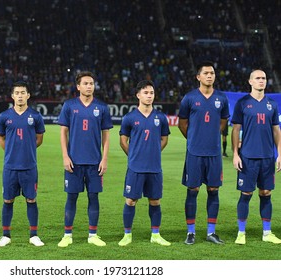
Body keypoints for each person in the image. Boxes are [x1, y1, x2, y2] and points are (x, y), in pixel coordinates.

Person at [57, 71, 113, 247]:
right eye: (86, 83)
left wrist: (104, 159)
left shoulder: (102, 107)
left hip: (94, 162)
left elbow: (106, 136)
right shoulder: (69, 105)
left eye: (91, 83)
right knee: (71, 197)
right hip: (74, 161)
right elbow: (63, 132)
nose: (89, 86)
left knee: (93, 197)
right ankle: (67, 235)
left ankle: (93, 235)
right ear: (78, 86)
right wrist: (65, 156)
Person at [178, 61, 230, 245]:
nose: (210, 76)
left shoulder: (221, 98)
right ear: (198, 77)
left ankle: (211, 232)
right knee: (192, 190)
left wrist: (212, 135)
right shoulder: (189, 98)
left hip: (214, 153)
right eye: (206, 73)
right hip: (195, 152)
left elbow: (223, 120)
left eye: (212, 73)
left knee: (213, 190)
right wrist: (193, 138)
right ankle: (190, 232)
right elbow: (182, 122)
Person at [118, 80, 171, 247]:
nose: (149, 96)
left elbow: (164, 139)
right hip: (135, 168)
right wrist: (134, 155)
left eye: (152, 93)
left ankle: (155, 234)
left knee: (155, 201)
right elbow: (123, 140)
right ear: (138, 95)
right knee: (131, 201)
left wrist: (153, 153)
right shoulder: (130, 118)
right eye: (146, 93)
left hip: (154, 167)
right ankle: (127, 234)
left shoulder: (160, 117)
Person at [231, 69, 281, 245]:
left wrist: (279, 153)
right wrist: (235, 154)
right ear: (250, 81)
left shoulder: (272, 105)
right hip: (248, 157)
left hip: (267, 157)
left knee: (266, 193)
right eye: (258, 78)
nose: (261, 81)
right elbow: (235, 129)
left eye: (264, 78)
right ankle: (241, 232)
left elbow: (276, 130)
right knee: (246, 193)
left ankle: (267, 232)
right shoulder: (243, 103)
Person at [0, 81, 45, 247]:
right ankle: (6, 235)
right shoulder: (5, 116)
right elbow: (1, 139)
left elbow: (39, 139)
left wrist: (27, 149)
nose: (20, 95)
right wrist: (11, 151)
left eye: (23, 92)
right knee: (8, 200)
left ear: (28, 95)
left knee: (31, 199)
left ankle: (34, 235)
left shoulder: (36, 116)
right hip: (10, 167)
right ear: (12, 96)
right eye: (17, 93)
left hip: (29, 166)